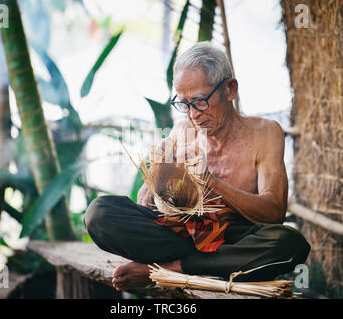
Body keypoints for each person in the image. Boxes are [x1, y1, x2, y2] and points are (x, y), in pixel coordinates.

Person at [84, 42, 310, 292]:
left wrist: (209, 180)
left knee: (289, 243)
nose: (192, 114)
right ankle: (202, 265)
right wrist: (156, 177)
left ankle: (169, 269)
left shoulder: (266, 133)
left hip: (233, 239)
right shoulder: (182, 131)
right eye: (184, 103)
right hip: (181, 236)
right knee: (99, 213)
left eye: (200, 101)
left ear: (230, 89)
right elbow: (145, 211)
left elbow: (275, 213)